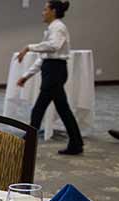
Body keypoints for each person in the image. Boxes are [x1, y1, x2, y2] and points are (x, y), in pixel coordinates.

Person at [17, 1, 84, 155]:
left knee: (39, 109)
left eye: (45, 9)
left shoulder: (58, 27)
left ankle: (28, 142)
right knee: (61, 108)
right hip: (52, 69)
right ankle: (76, 142)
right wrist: (26, 76)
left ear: (53, 11)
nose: (43, 12)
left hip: (55, 71)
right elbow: (45, 57)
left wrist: (28, 47)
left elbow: (53, 46)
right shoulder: (53, 28)